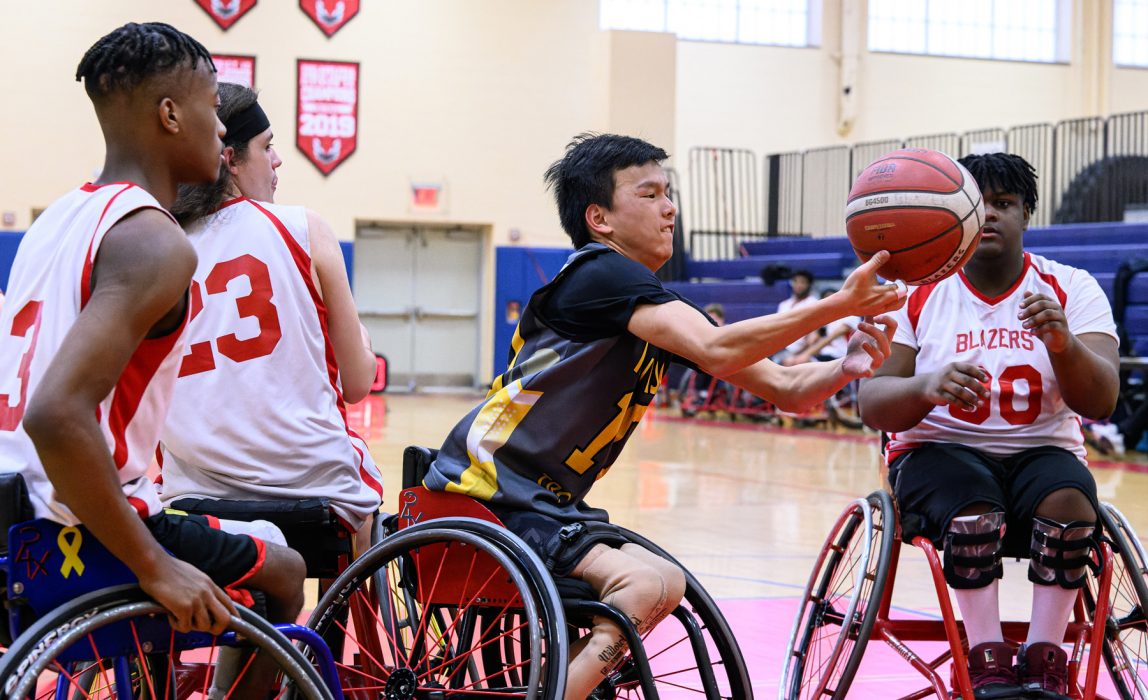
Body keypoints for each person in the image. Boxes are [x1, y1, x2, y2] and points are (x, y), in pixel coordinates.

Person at [423, 133, 905, 700]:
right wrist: (838, 306)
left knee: (665, 580)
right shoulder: (600, 273)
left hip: (542, 498)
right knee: (640, 582)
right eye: (650, 193)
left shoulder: (649, 302)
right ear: (598, 217)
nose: (670, 207)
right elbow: (722, 350)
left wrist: (846, 367)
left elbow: (784, 389)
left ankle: (555, 682)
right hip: (488, 486)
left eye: (668, 193)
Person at [0, 23, 305, 636]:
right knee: (288, 569)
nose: (222, 129)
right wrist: (155, 565)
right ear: (170, 114)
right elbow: (55, 414)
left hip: (10, 509)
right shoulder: (154, 241)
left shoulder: (56, 219)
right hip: (75, 524)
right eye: (214, 108)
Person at [859, 152, 1120, 699]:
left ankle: (1047, 655)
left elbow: (1101, 402)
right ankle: (986, 656)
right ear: (957, 216)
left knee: (1072, 503)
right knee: (974, 508)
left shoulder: (1072, 287)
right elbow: (873, 403)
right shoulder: (917, 291)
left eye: (1005, 204)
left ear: (1028, 214)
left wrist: (1064, 344)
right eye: (981, 206)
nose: (993, 217)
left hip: (1042, 452)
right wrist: (925, 386)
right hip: (937, 452)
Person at [159, 83, 382, 555]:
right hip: (312, 487)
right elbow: (358, 383)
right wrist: (359, 338)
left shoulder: (157, 247)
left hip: (193, 499)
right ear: (230, 160)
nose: (277, 160)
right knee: (368, 496)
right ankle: (344, 620)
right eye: (267, 146)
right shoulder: (304, 228)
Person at [773, 269, 819, 362]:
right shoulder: (784, 304)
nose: (798, 285)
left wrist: (799, 352)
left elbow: (814, 333)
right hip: (780, 348)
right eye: (795, 281)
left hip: (799, 349)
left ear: (809, 285)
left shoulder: (814, 303)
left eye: (802, 282)